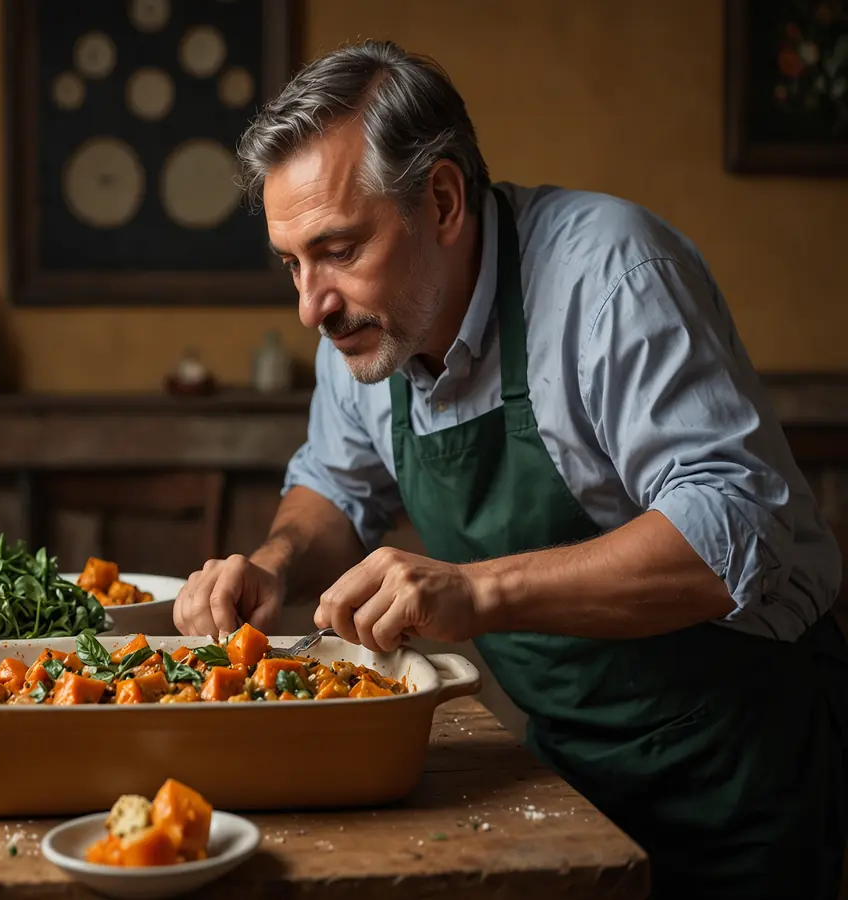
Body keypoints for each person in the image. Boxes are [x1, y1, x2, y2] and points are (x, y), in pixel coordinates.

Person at [172, 40, 848, 899]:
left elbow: (733, 531)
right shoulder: (368, 332)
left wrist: (476, 591)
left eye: (338, 250)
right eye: (291, 264)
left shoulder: (612, 276)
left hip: (739, 760)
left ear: (444, 200)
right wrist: (276, 562)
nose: (313, 305)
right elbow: (337, 485)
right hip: (567, 763)